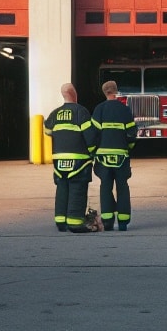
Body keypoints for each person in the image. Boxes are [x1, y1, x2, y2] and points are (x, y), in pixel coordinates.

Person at [43, 83, 97, 233]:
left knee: (62, 188)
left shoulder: (55, 114)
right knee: (77, 188)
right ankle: (75, 222)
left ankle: (61, 221)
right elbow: (90, 136)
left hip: (59, 160)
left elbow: (47, 131)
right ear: (75, 94)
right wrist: (93, 152)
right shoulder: (81, 112)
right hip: (79, 160)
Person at [90, 80, 137, 231]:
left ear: (104, 92)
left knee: (105, 187)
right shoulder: (125, 110)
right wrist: (127, 148)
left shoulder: (99, 109)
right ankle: (123, 222)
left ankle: (108, 222)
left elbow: (93, 134)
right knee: (122, 186)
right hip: (121, 155)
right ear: (116, 91)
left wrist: (93, 151)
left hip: (103, 156)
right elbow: (131, 133)